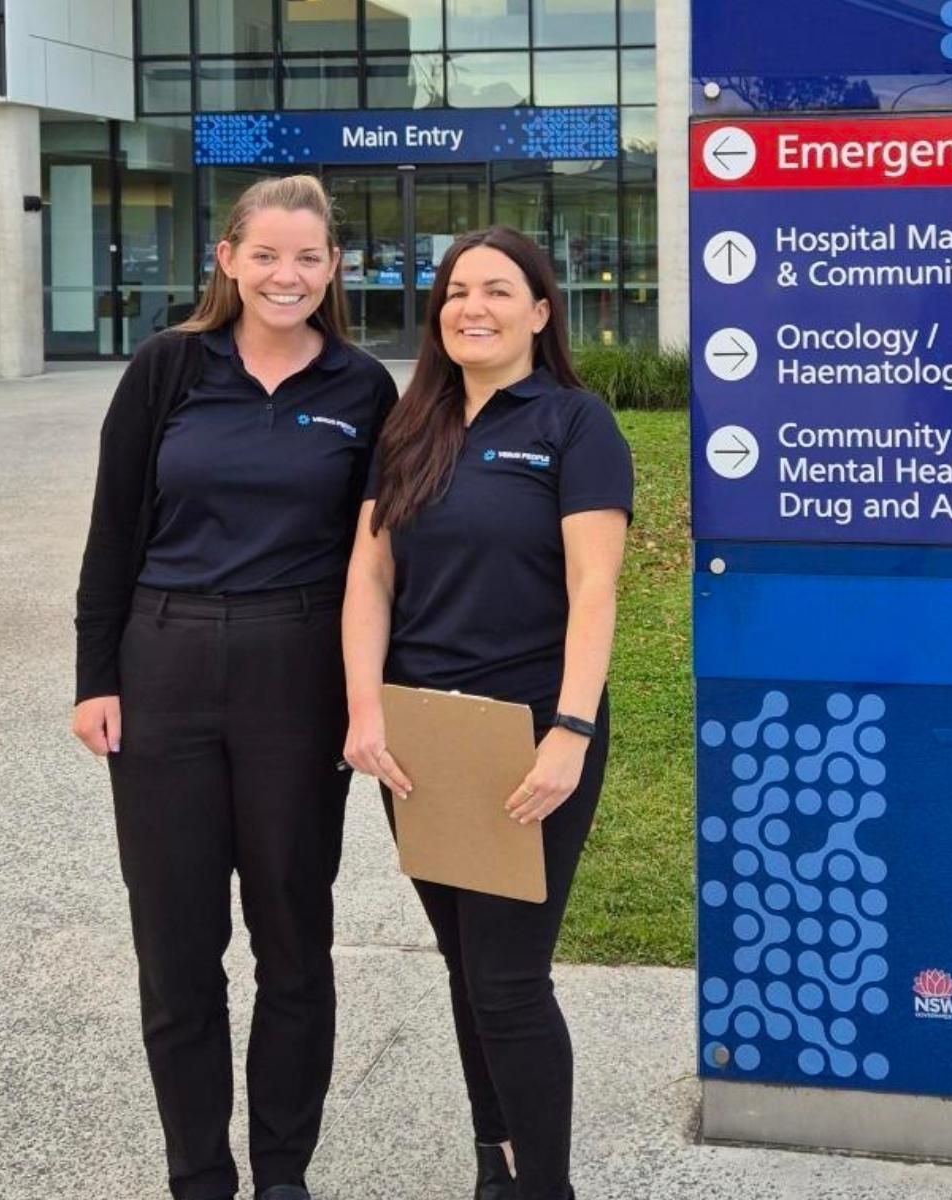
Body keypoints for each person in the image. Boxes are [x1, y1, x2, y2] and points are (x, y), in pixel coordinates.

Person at [72, 174, 397, 1200]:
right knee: (176, 946)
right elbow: (114, 528)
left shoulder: (361, 389)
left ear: (333, 268)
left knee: (294, 937)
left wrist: (368, 699)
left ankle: (282, 1172)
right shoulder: (168, 367)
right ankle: (199, 1175)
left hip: (296, 672)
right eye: (265, 255)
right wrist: (95, 677)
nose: (285, 275)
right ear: (227, 258)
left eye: (307, 257)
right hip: (162, 664)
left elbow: (377, 564)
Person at [341, 226, 633, 1200]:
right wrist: (365, 714)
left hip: (528, 735)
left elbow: (596, 589)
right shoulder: (411, 428)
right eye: (458, 290)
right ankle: (493, 1165)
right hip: (424, 735)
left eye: (499, 290)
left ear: (541, 312)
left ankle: (542, 1186)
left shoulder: (574, 424)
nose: (474, 306)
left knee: (508, 979)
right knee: (467, 968)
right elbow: (369, 578)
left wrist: (571, 731)